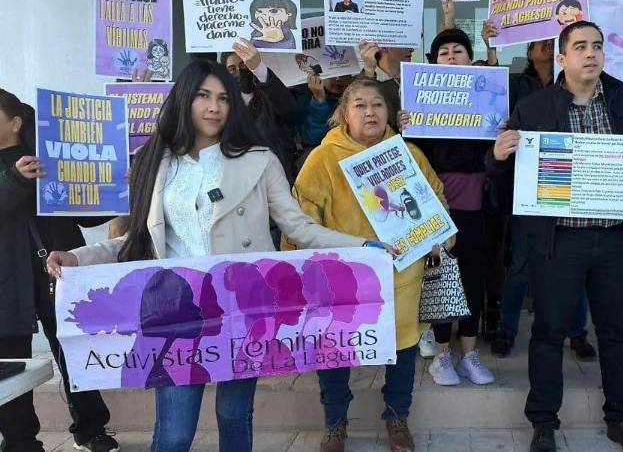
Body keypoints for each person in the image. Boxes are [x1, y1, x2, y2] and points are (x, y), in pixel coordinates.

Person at [45, 61, 385, 452]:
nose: (214, 107)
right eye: (203, 96)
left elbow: (299, 227)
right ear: (183, 100)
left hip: (244, 307)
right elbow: (136, 240)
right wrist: (77, 257)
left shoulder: (259, 160)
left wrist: (361, 248)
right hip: (175, 309)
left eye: (223, 98)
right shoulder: (153, 162)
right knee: (174, 431)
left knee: (233, 414)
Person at [487, 21, 623, 452]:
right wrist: (496, 157)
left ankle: (621, 420)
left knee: (615, 332)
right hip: (557, 241)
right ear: (561, 58)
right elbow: (505, 175)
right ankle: (544, 423)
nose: (591, 54)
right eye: (581, 47)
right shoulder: (532, 107)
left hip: (614, 241)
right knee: (548, 331)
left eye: (598, 46)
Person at [282, 78, 449, 452]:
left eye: (377, 104)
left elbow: (436, 201)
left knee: (403, 348)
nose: (370, 111)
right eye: (359, 105)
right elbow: (301, 219)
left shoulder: (409, 155)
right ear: (343, 113)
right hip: (342, 278)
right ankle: (335, 423)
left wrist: (440, 236)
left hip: (401, 276)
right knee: (335, 351)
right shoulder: (323, 159)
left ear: (389, 113)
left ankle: (397, 417)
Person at [0, 91, 118, 452]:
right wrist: (15, 179)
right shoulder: (16, 170)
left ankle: (92, 428)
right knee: (11, 363)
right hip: (6, 277)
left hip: (59, 269)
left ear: (15, 122)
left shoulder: (55, 153)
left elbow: (88, 213)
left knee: (74, 348)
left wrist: (117, 188)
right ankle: (20, 442)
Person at [490, 38, 595, 362]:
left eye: (552, 43)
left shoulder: (577, 89)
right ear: (529, 52)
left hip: (572, 189)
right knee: (521, 267)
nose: (547, 48)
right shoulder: (518, 85)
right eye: (540, 44)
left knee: (574, 270)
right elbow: (491, 102)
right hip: (531, 192)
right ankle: (506, 330)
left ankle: (577, 333)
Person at [411, 28, 496, 387]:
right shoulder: (420, 101)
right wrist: (405, 128)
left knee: (474, 282)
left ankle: (470, 354)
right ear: (433, 61)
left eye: (458, 50)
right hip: (438, 209)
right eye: (443, 51)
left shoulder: (490, 97)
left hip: (478, 208)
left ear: (469, 57)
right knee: (442, 281)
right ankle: (442, 357)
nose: (450, 56)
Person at [222, 38, 300, 181]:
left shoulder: (271, 92)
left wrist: (259, 68)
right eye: (232, 69)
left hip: (277, 176)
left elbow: (290, 111)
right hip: (240, 180)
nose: (239, 71)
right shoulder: (223, 104)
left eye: (244, 64)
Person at [294, 74, 354, 167]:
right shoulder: (305, 97)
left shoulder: (355, 96)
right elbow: (312, 139)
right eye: (332, 75)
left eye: (345, 75)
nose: (338, 79)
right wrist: (319, 101)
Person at [356, 41, 414, 130]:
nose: (411, 49)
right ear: (384, 47)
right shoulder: (366, 79)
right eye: (405, 44)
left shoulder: (416, 80)